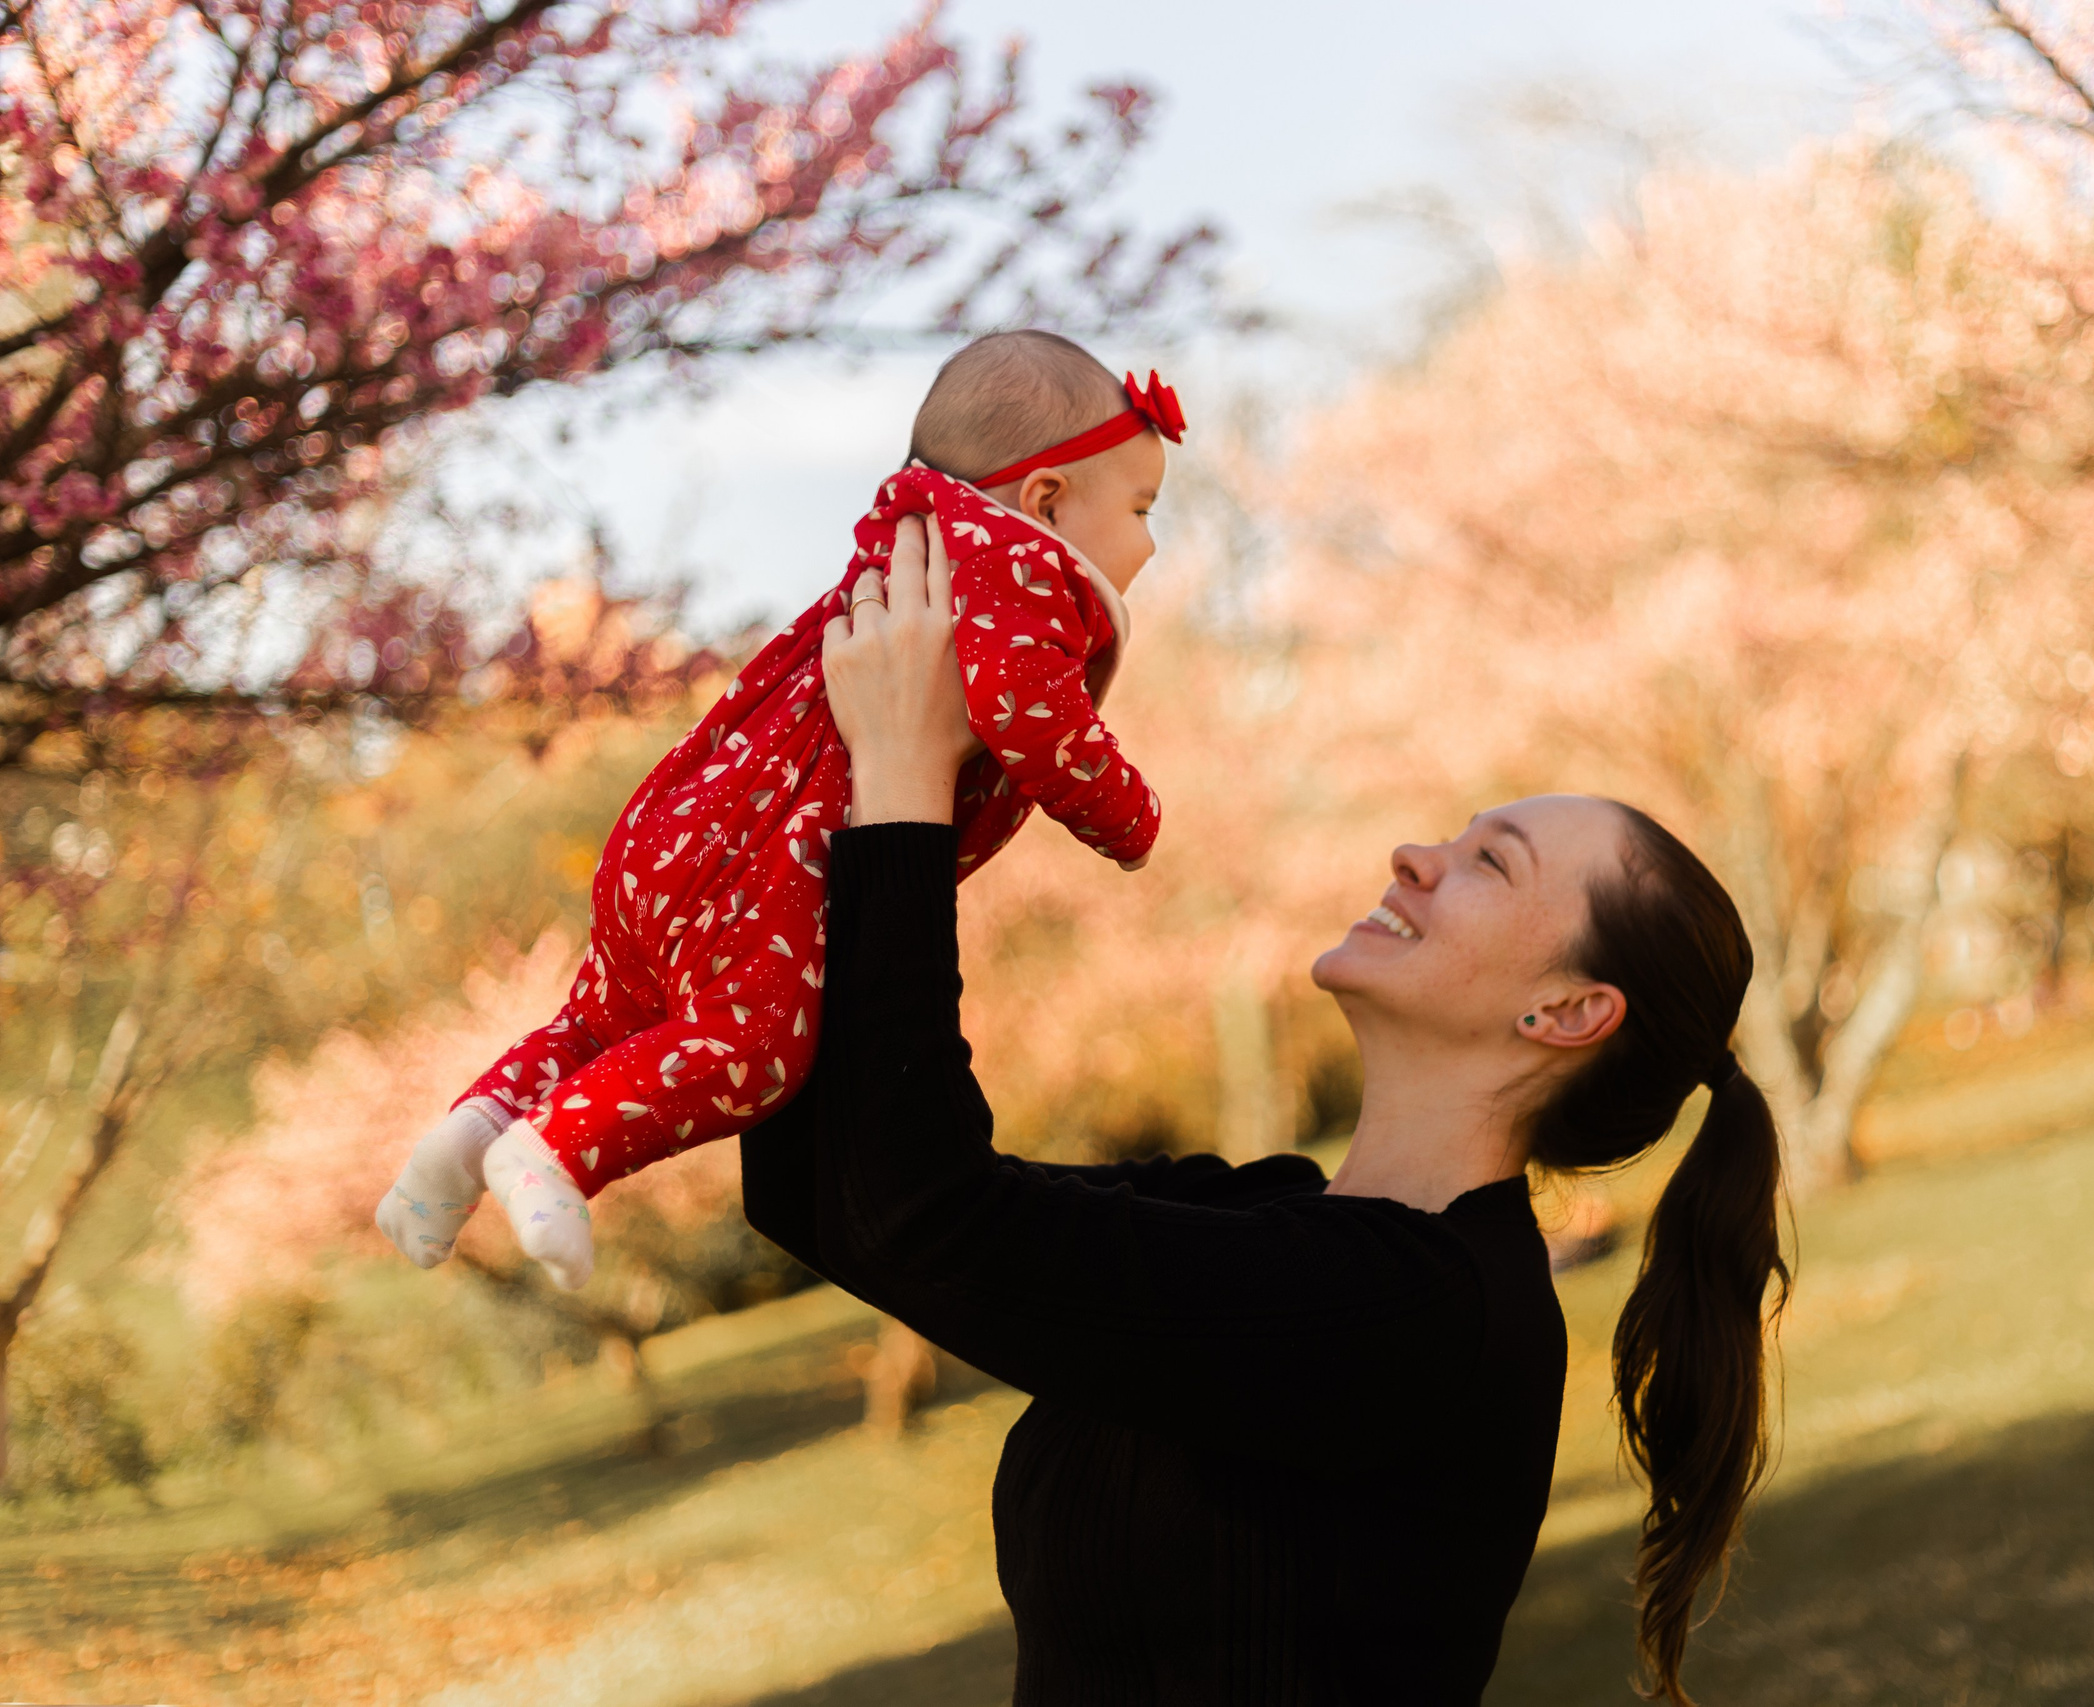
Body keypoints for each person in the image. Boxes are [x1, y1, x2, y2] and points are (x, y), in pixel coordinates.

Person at [741, 514, 1791, 1704]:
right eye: (1457, 835)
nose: (1414, 856)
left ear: (1565, 1012)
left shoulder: (1415, 1313)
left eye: (1491, 863)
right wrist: (812, 805)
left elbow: (917, 1210)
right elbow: (826, 1196)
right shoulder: (1266, 1219)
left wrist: (905, 791)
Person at [374, 331, 1180, 1290]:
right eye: (1139, 507)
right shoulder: (1018, 574)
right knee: (751, 1048)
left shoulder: (910, 546)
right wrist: (1129, 815)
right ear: (1047, 499)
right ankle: (558, 1152)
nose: (1150, 541)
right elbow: (1033, 717)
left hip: (676, 824)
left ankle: (457, 1149)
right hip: (772, 864)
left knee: (607, 1017)